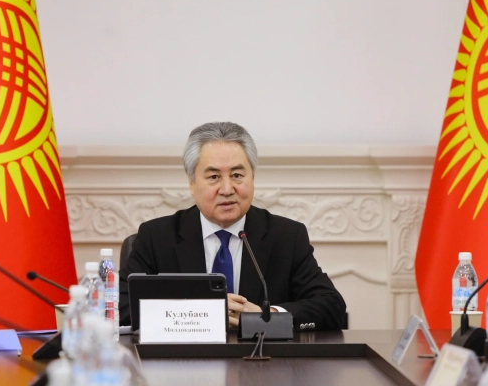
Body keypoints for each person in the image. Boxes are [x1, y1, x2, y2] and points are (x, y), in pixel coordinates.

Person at [120, 122, 346, 331]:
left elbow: (331, 306)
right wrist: (203, 311)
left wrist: (267, 316)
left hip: (263, 359)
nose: (227, 189)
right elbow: (121, 308)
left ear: (252, 178)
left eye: (237, 175)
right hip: (185, 358)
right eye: (214, 177)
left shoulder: (287, 237)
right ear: (192, 183)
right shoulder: (157, 237)